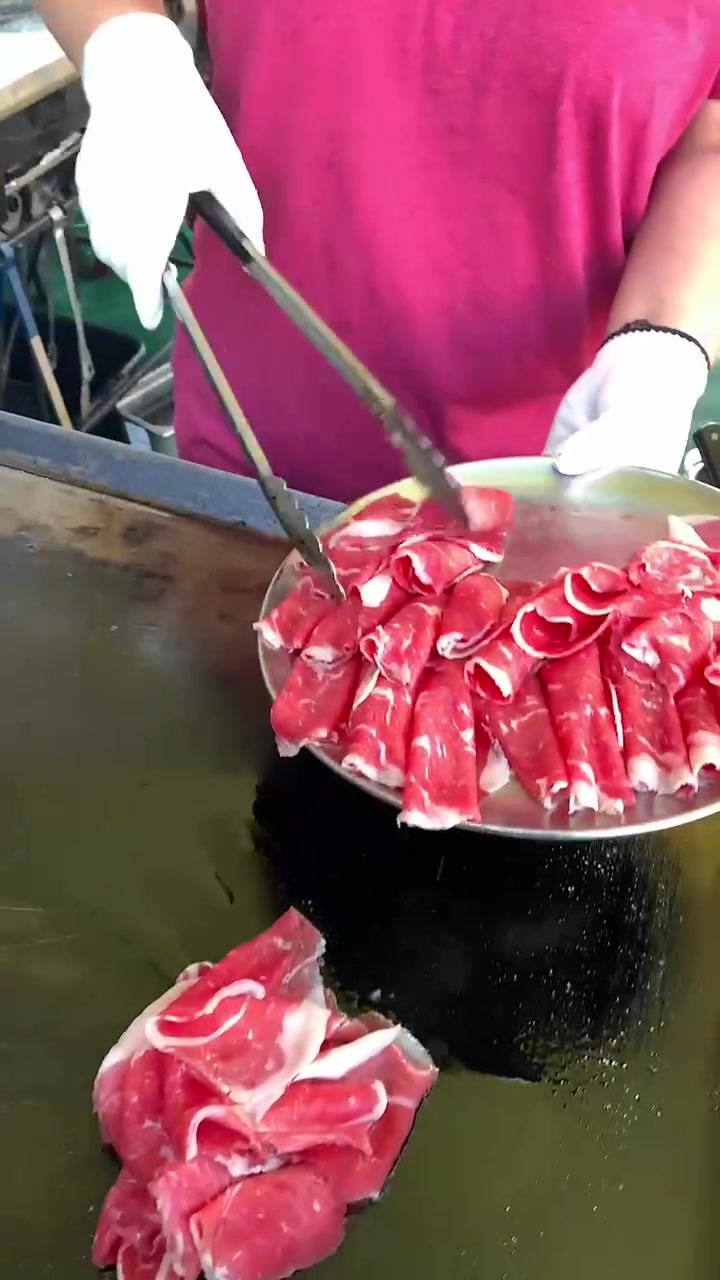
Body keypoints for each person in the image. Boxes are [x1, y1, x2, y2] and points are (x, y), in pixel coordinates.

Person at [36, 0, 720, 502]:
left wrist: (659, 348)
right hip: (259, 457)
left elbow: (710, 140)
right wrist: (127, 53)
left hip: (559, 473)